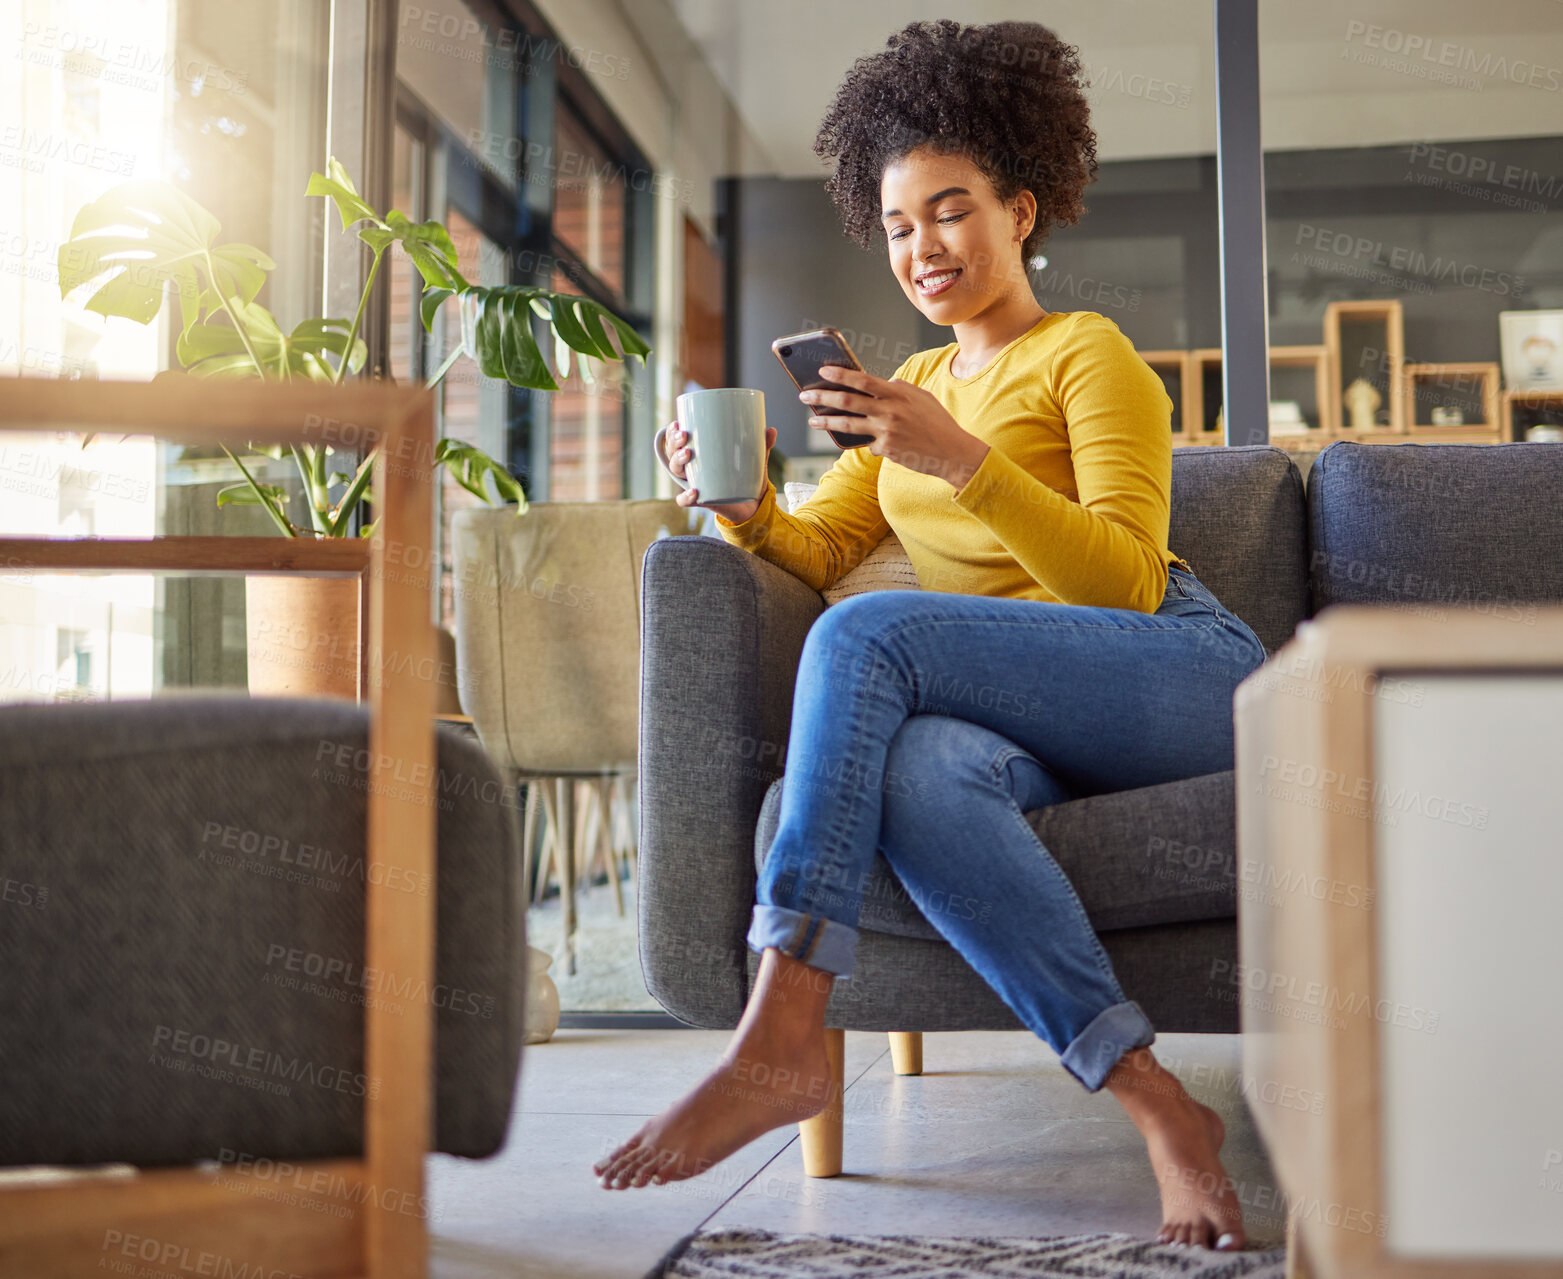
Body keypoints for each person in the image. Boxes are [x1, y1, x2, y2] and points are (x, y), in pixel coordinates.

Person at [595, 18, 1267, 1251]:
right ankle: (1158, 1103)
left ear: (1021, 208)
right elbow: (816, 554)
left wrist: (955, 457)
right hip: (1026, 716)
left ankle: (783, 1020)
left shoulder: (1087, 355)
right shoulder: (912, 390)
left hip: (1179, 670)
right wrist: (739, 505)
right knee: (912, 770)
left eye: (951, 211)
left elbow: (1120, 581)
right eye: (900, 225)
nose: (925, 247)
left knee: (874, 640)